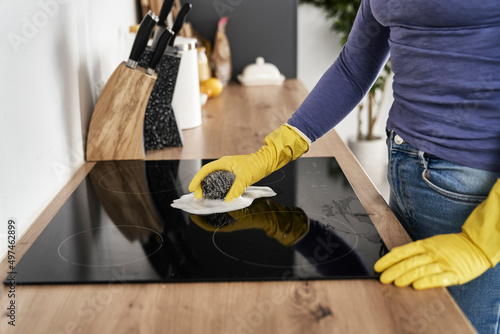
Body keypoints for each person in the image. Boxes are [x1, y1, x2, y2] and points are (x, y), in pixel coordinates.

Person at [189, 1, 500, 332]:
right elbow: (353, 68)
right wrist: (269, 154)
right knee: (406, 319)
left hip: (475, 191)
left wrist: (483, 240)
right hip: (406, 168)